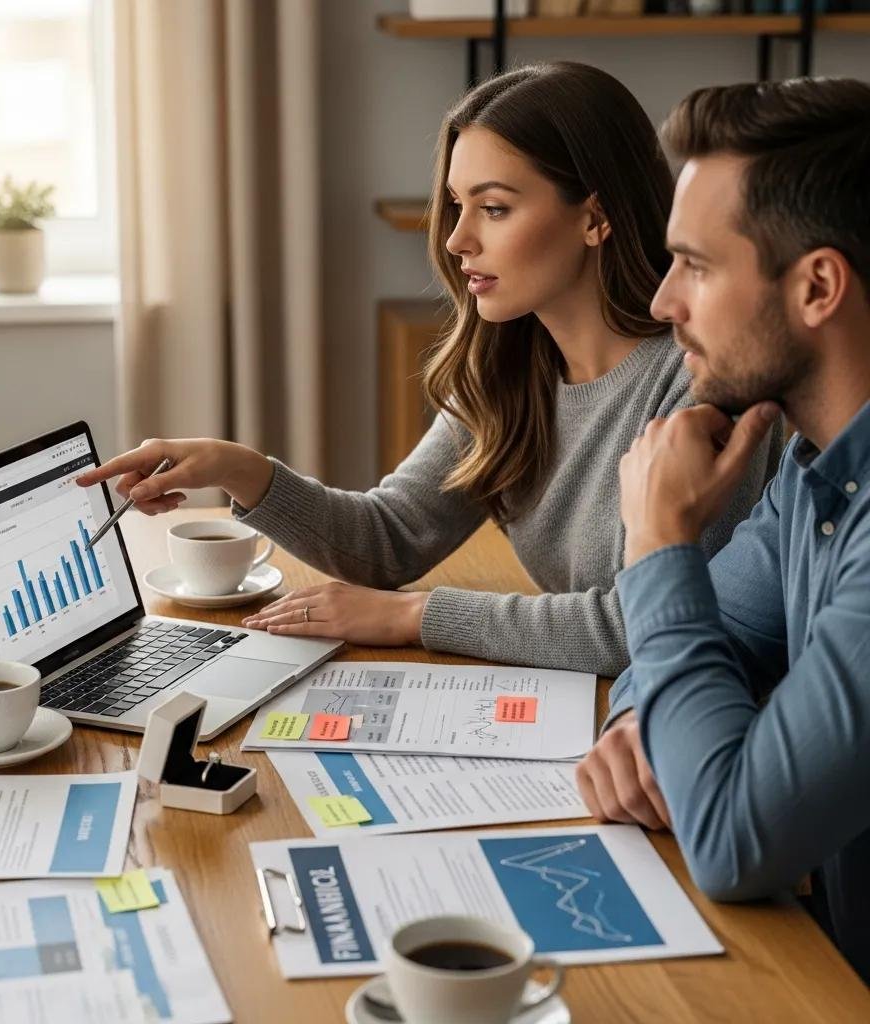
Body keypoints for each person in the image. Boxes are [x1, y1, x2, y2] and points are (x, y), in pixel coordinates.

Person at [77, 62, 781, 677]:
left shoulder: (698, 385)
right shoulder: (506, 370)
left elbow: (650, 625)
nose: (456, 239)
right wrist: (234, 467)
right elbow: (390, 540)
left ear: (594, 217)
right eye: (454, 205)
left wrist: (413, 617)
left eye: (495, 208)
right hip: (592, 706)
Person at [574, 77, 870, 983]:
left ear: (818, 285)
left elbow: (737, 839)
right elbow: (717, 640)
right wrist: (642, 716)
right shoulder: (813, 463)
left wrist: (659, 541)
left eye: (695, 266)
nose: (664, 303)